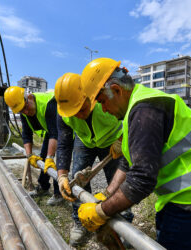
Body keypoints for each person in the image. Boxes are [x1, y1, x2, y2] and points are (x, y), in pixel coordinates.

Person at [77, 57, 191, 250]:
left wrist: (100, 211)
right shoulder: (136, 106)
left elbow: (141, 181)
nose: (103, 110)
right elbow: (128, 164)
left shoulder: (144, 111)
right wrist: (107, 194)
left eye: (103, 101)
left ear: (116, 90)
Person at [54, 72, 132, 246]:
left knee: (118, 182)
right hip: (85, 142)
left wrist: (122, 140)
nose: (80, 115)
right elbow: (64, 144)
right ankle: (80, 222)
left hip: (113, 140)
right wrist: (61, 175)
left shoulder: (105, 100)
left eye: (82, 109)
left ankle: (125, 222)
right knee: (77, 180)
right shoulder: (63, 113)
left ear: (90, 96)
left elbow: (130, 118)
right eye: (75, 112)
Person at [4, 86, 63, 206]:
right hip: (51, 131)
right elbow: (26, 134)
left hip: (64, 130)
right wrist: (30, 154)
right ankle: (43, 186)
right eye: (21, 111)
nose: (25, 112)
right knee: (43, 156)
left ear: (29, 97)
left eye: (26, 107)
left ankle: (59, 193)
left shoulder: (49, 103)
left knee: (59, 160)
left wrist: (50, 158)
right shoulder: (23, 110)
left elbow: (55, 133)